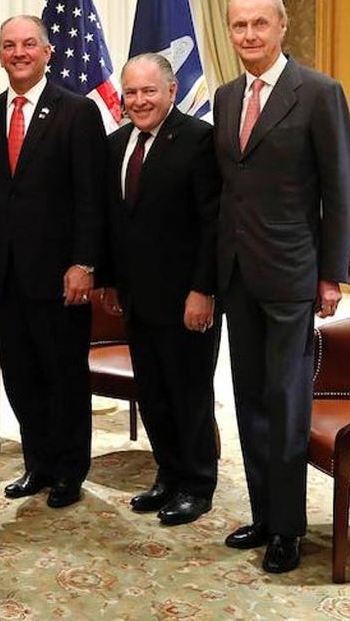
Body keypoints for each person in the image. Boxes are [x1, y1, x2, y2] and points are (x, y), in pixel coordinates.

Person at [215, 0, 350, 573]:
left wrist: (332, 272)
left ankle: (290, 529)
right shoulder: (225, 98)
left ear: (281, 27)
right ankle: (263, 513)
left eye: (259, 24)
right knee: (247, 398)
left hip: (293, 273)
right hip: (237, 274)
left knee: (286, 398)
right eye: (239, 26)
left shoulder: (319, 93)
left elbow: (341, 188)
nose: (249, 35)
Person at [0, 15, 107, 509]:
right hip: (4, 274)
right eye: (8, 45)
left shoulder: (77, 111)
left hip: (60, 274)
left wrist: (84, 262)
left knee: (63, 374)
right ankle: (38, 463)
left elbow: (92, 196)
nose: (18, 52)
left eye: (28, 44)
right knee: (20, 375)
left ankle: (69, 470)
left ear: (47, 52)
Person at [100, 53, 221, 526]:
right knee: (152, 391)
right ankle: (168, 474)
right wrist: (109, 279)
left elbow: (213, 223)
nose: (139, 100)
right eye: (130, 92)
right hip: (137, 296)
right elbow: (115, 220)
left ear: (171, 91)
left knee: (188, 392)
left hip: (186, 297)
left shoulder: (198, 140)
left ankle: (197, 483)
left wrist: (203, 290)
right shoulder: (116, 146)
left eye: (149, 91)